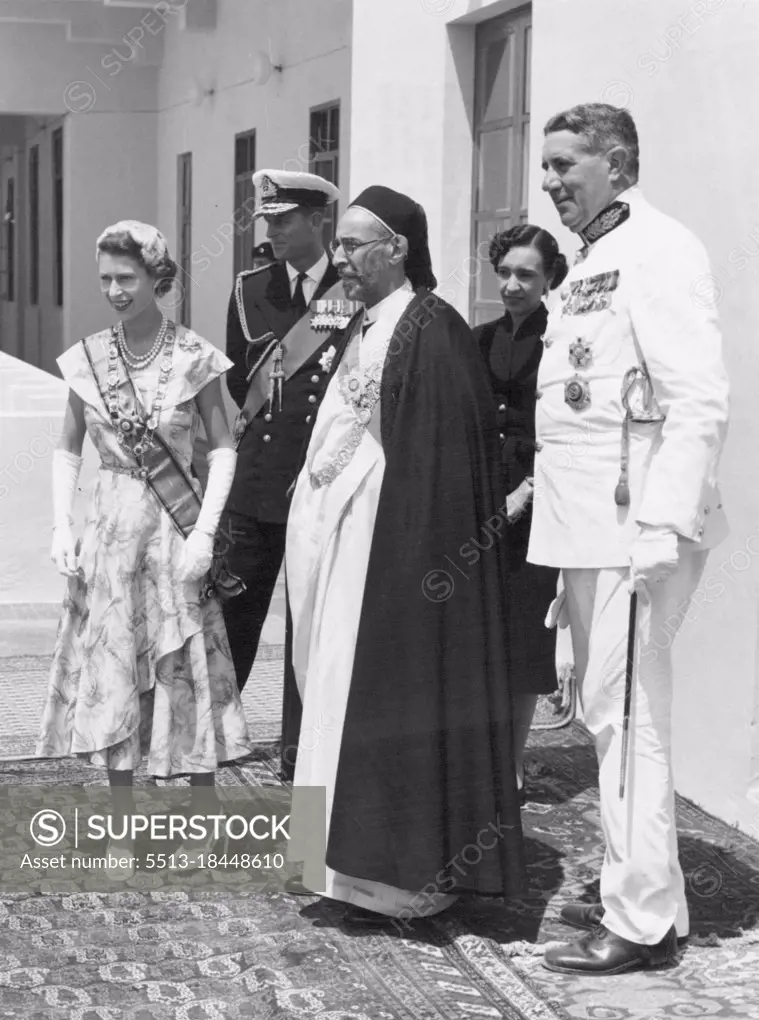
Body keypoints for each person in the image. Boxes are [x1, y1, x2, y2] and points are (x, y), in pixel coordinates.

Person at [285, 185, 527, 925]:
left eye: (356, 245)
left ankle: (403, 879)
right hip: (350, 547)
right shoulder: (365, 324)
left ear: (396, 249)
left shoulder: (432, 328)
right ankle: (339, 865)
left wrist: (411, 565)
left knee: (392, 703)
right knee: (330, 692)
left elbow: (441, 469)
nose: (341, 259)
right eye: (341, 245)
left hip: (400, 560)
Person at [529, 103, 729, 974]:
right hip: (586, 529)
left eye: (565, 164)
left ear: (615, 163)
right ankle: (658, 905)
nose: (549, 181)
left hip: (632, 530)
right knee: (615, 718)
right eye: (545, 166)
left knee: (626, 722)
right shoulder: (592, 261)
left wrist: (659, 525)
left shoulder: (658, 249)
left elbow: (697, 400)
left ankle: (640, 922)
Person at [37, 220, 252, 876]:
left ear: (158, 277)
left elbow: (222, 448)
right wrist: (59, 524)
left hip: (172, 535)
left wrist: (207, 533)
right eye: (105, 278)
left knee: (184, 668)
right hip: (109, 536)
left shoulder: (194, 356)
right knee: (112, 674)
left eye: (126, 278)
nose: (114, 290)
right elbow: (67, 447)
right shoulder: (88, 359)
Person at [221, 171, 355, 777]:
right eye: (268, 221)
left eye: (284, 220)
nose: (273, 231)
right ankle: (217, 735)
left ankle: (301, 750)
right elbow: (234, 380)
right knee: (234, 615)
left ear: (319, 221)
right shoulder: (250, 288)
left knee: (312, 621)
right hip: (256, 481)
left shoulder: (352, 289)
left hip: (321, 478)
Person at [473, 225, 569, 800]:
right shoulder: (477, 340)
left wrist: (525, 492)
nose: (512, 285)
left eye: (526, 275)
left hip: (539, 507)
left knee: (524, 638)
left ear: (549, 279)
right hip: (481, 504)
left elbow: (566, 434)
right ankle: (475, 757)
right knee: (478, 631)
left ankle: (510, 762)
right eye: (505, 272)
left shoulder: (564, 342)